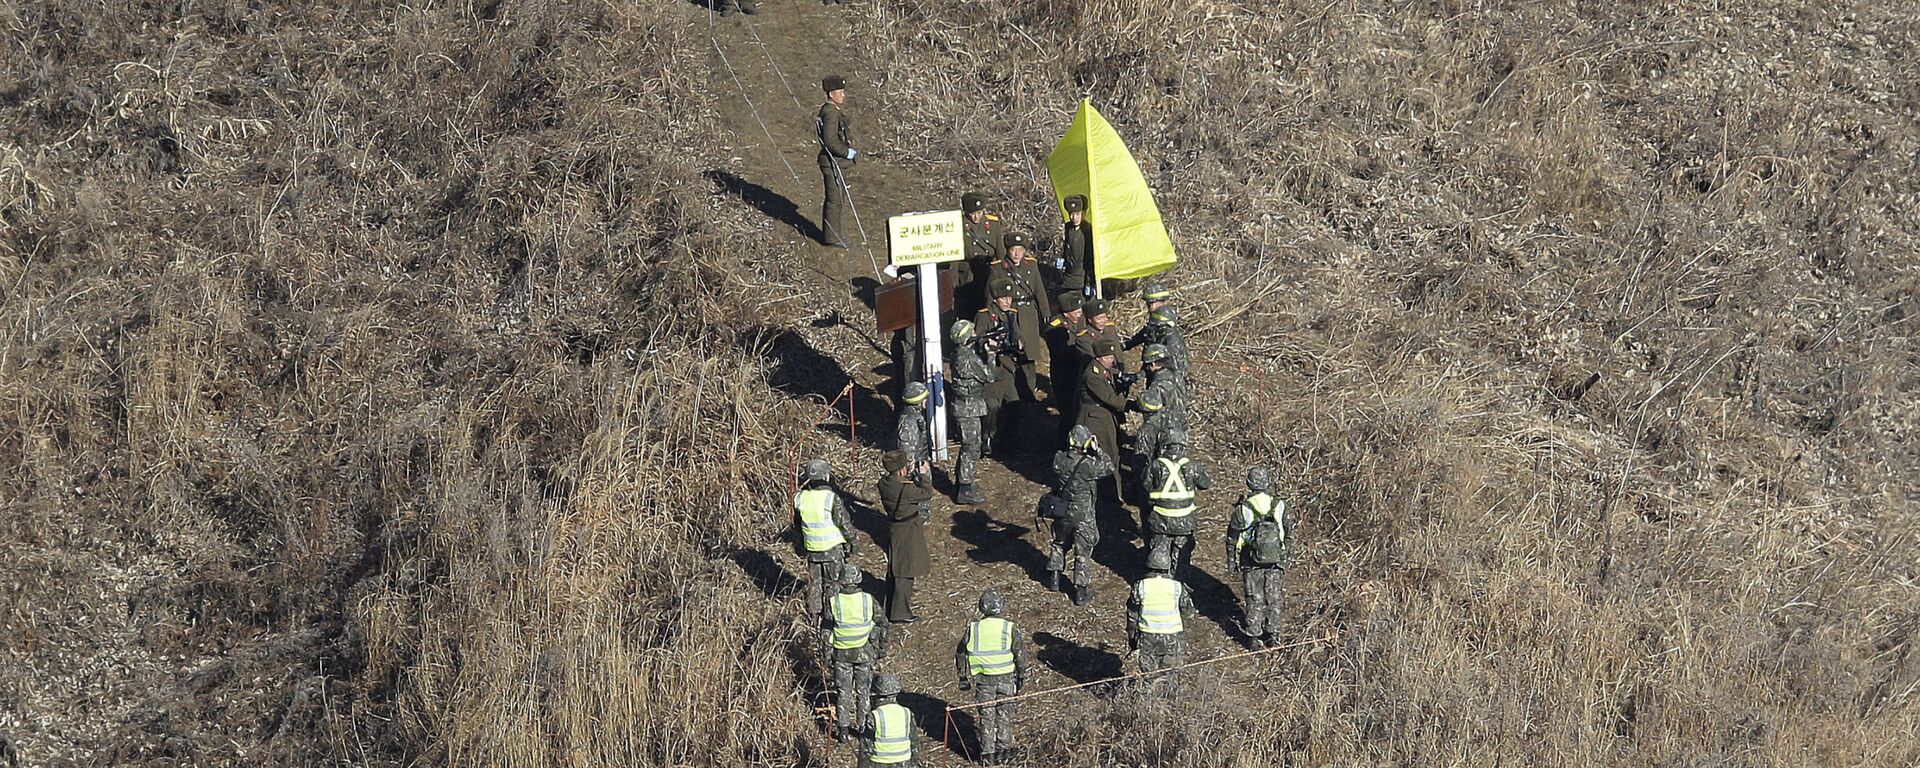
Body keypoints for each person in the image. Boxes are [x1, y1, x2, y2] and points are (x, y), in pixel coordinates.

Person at [955, 589, 1030, 765]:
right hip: (1006, 679)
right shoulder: (1008, 628)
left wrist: (962, 676)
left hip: (983, 682)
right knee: (1005, 716)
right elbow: (1020, 654)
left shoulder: (973, 629)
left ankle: (987, 756)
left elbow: (960, 652)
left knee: (986, 718)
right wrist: (1022, 675)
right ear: (1000, 606)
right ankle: (1005, 753)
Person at [1226, 466, 1294, 649]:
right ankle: (1273, 635)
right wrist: (1286, 555)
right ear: (1267, 483)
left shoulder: (1243, 509)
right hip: (1276, 559)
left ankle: (1253, 638)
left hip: (1250, 560)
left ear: (1249, 484)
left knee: (1254, 597)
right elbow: (1289, 531)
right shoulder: (1279, 505)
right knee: (1274, 597)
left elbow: (1232, 537)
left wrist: (1231, 561)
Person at [1047, 424, 1112, 605]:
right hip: (1083, 514)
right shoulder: (1088, 466)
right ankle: (1081, 592)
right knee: (1082, 552)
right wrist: (1097, 450)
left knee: (1059, 543)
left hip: (1062, 510)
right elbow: (1109, 466)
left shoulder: (1058, 459)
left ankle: (1054, 577)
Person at [824, 563, 889, 740]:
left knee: (843, 691)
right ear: (858, 579)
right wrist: (882, 648)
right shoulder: (868, 600)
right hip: (865, 653)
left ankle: (843, 730)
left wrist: (827, 655)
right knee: (864, 691)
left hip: (841, 654)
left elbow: (826, 631)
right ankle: (863, 728)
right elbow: (883, 623)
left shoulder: (833, 602)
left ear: (842, 581)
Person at [986, 232, 1053, 403]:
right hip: (1008, 313)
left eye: (1020, 250)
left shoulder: (1031, 265)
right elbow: (990, 295)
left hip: (1028, 314)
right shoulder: (997, 268)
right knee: (1009, 354)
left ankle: (1029, 392)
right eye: (1013, 250)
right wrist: (992, 315)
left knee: (1029, 355)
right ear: (1007, 250)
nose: (1016, 254)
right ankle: (1011, 392)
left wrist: (1045, 312)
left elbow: (1039, 290)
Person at [1127, 548, 1195, 697]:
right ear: (1167, 567)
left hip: (1147, 637)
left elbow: (1132, 614)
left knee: (1148, 677)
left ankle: (1147, 708)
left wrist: (1132, 638)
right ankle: (1170, 708)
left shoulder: (1140, 586)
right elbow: (1189, 612)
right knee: (1171, 676)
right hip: (1172, 637)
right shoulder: (1177, 587)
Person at [794, 458, 856, 619]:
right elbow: (843, 523)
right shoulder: (831, 498)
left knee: (814, 584)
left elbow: (798, 527)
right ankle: (832, 616)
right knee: (833, 584)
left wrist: (800, 546)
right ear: (826, 476)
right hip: (832, 549)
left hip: (812, 550)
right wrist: (852, 541)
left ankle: (814, 616)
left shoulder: (800, 498)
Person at [1142, 429, 1211, 573]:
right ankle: (1179, 583)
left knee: (1159, 552)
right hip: (1185, 521)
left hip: (1160, 519)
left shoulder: (1155, 465)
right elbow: (1205, 483)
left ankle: (1160, 580)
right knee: (1182, 558)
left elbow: (1145, 486)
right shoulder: (1192, 466)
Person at [973, 279, 1026, 455]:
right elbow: (977, 340)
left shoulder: (1011, 314)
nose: (1007, 302)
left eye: (1010, 298)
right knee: (992, 407)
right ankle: (986, 438)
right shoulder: (985, 315)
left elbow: (1017, 334)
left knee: (1014, 406)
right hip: (992, 368)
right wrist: (988, 342)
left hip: (1008, 368)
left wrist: (1019, 343)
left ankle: (1008, 442)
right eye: (1003, 298)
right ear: (995, 298)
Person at [877, 450, 931, 623]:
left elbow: (901, 485)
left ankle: (890, 606)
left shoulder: (883, 484)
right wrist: (923, 475)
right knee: (905, 571)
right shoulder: (906, 489)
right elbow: (926, 493)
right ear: (901, 469)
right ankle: (900, 612)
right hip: (908, 530)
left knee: (895, 567)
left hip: (894, 528)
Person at [946, 320, 992, 505]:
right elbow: (988, 376)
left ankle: (964, 482)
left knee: (969, 446)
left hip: (965, 406)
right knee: (971, 447)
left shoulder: (958, 354)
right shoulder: (968, 358)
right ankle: (965, 487)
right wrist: (991, 354)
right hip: (968, 408)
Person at [1076, 339, 1130, 484]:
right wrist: (1132, 405)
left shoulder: (1104, 370)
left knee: (1115, 452)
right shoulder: (1093, 376)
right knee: (1106, 455)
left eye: (1112, 357)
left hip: (1106, 417)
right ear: (1098, 358)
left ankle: (1116, 487)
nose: (1111, 360)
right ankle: (1109, 490)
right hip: (1096, 420)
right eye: (1107, 358)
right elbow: (1109, 398)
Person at [817, 76, 857, 249]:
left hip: (834, 162)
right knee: (835, 200)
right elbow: (830, 140)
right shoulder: (831, 113)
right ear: (832, 94)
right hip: (832, 162)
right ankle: (832, 237)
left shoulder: (830, 110)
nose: (843, 95)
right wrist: (845, 152)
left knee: (837, 198)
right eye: (840, 92)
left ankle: (834, 234)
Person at [1044, 293, 1086, 444]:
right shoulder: (1055, 327)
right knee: (1068, 414)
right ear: (1067, 312)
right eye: (1076, 312)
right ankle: (1063, 446)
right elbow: (1062, 352)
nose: (1079, 315)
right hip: (1064, 375)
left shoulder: (1080, 321)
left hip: (1079, 373)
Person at [862, 675, 924, 767]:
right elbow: (914, 742)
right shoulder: (907, 713)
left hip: (879, 763)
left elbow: (866, 748)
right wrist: (914, 764)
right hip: (904, 762)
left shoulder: (874, 716)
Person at [960, 192, 1002, 312]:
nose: (976, 217)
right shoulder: (960, 225)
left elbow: (1000, 251)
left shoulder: (993, 223)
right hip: (969, 273)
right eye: (972, 214)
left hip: (989, 270)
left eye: (979, 213)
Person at [1127, 304, 1189, 374]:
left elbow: (1164, 369)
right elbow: (1152, 365)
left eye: (1157, 326)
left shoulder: (1172, 343)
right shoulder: (1160, 337)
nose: (1154, 329)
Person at [1139, 342, 1188, 423]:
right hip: (1179, 421)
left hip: (1168, 425)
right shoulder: (1174, 373)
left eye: (1147, 365)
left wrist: (1136, 401)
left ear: (1153, 364)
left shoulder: (1162, 380)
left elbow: (1150, 403)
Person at [1056, 194, 1092, 297]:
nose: (1073, 218)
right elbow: (1066, 247)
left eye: (1077, 214)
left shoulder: (1087, 230)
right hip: (1068, 275)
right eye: (1071, 214)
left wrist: (1089, 282)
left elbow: (1089, 258)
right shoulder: (1068, 228)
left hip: (1082, 276)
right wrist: (1063, 259)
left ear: (1083, 213)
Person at [894, 381, 929, 466]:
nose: (926, 400)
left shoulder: (916, 416)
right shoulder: (909, 422)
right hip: (916, 468)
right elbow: (906, 449)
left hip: (921, 462)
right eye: (924, 398)